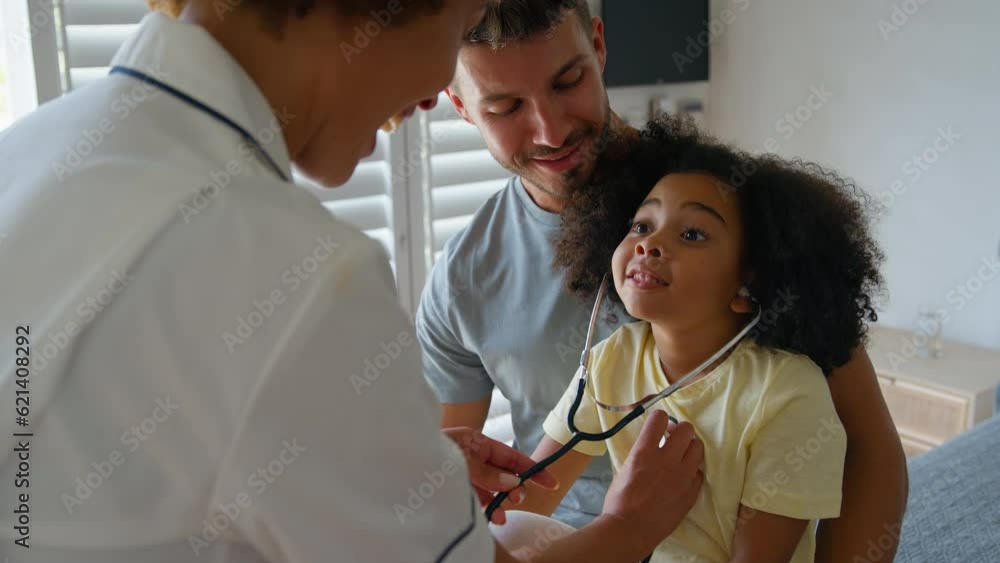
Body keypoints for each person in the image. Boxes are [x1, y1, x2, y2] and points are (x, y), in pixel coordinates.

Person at [0, 1, 705, 562]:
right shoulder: (300, 275)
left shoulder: (34, 150)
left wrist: (391, 468)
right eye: (458, 27)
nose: (432, 96)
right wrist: (629, 528)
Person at [415, 0, 909, 559]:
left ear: (599, 45)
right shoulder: (462, 281)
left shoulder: (732, 207)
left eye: (568, 80)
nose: (550, 131)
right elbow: (465, 492)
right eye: (505, 107)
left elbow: (867, 446)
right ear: (459, 104)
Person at [521, 115, 888, 562]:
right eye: (641, 225)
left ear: (748, 284)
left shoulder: (787, 394)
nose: (648, 244)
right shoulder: (610, 361)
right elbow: (531, 496)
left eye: (692, 233)